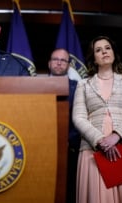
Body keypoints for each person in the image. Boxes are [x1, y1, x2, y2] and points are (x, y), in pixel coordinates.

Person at [72, 35, 122, 203]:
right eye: (98, 50)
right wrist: (100, 140)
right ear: (94, 58)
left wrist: (117, 135)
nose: (104, 52)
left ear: (114, 52)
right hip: (94, 151)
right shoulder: (83, 84)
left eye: (107, 48)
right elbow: (78, 117)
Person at [48, 48, 80, 203]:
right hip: (42, 147)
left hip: (70, 149)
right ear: (49, 63)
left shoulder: (79, 87)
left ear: (68, 65)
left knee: (68, 191)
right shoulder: (34, 85)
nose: (59, 63)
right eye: (55, 59)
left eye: (63, 60)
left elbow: (81, 118)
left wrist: (67, 140)